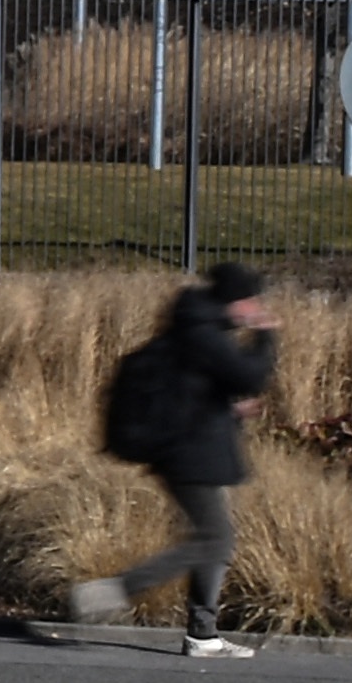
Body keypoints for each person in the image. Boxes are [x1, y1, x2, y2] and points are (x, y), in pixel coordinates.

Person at [78, 262, 277, 658]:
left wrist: (230, 411)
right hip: (189, 454)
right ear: (236, 300)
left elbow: (190, 391)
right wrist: (266, 335)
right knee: (213, 539)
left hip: (192, 449)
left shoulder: (197, 326)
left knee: (216, 542)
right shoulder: (204, 333)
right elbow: (251, 376)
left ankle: (202, 633)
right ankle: (114, 591)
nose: (256, 307)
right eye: (251, 300)